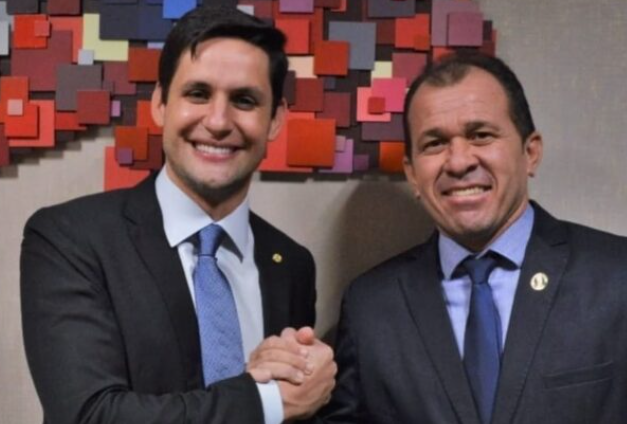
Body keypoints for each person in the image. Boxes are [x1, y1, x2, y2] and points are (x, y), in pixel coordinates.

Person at [21, 5, 335, 424]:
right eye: (198, 94)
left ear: (275, 119)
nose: (218, 122)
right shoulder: (70, 239)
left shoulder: (291, 264)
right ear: (160, 103)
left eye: (244, 100)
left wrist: (308, 383)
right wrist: (265, 402)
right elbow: (88, 416)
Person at [321, 51, 627, 424]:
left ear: (530, 153)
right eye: (434, 143)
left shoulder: (617, 276)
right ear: (413, 173)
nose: (459, 161)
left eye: (481, 135)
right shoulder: (370, 306)